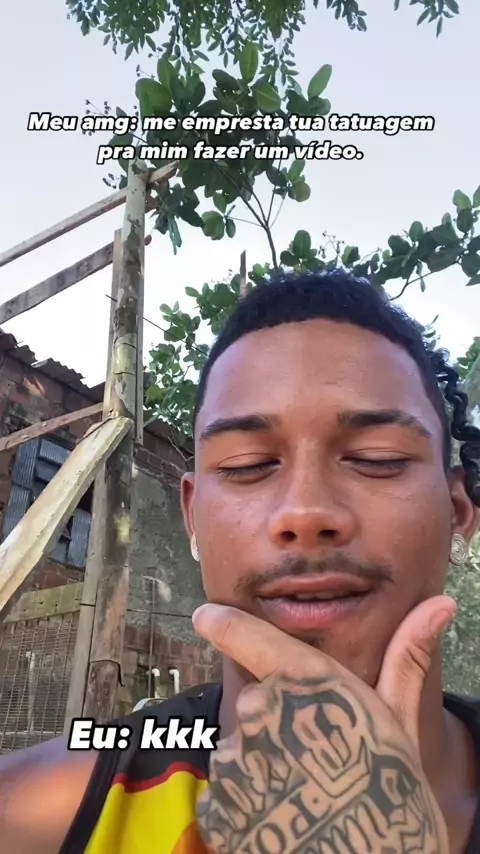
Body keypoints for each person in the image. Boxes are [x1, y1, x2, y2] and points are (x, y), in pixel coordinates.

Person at [0, 270, 479, 854]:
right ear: (192, 516)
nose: (305, 511)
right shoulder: (32, 815)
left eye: (376, 458)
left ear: (459, 510)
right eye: (247, 465)